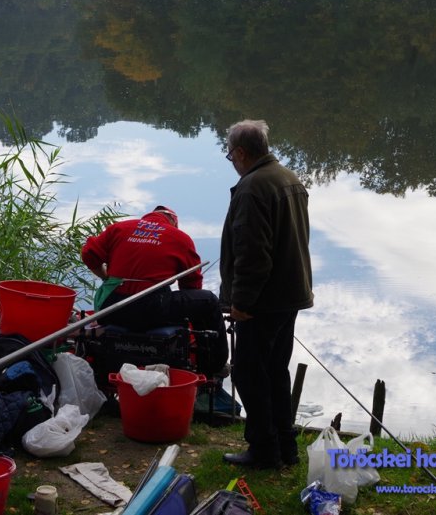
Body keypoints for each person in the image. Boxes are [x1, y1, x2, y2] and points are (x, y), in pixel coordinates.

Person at [219, 120, 313, 469]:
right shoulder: (289, 178)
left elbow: (253, 253)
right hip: (290, 293)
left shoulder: (252, 188)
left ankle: (263, 449)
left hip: (263, 301)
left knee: (249, 373)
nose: (231, 161)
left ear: (241, 152)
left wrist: (240, 302)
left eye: (230, 155)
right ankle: (286, 448)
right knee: (275, 370)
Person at [81, 206, 228, 376]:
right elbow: (191, 286)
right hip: (152, 310)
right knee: (208, 301)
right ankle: (212, 367)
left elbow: (89, 253)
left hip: (111, 309)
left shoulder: (119, 228)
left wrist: (106, 277)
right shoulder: (179, 237)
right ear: (173, 222)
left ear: (147, 217)